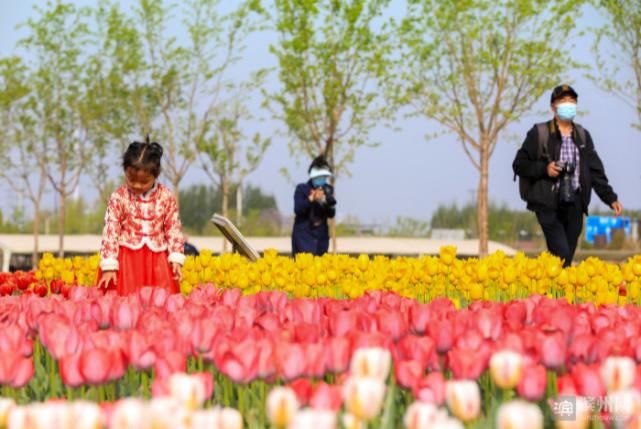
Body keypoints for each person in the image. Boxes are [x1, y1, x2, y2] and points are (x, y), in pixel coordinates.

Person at [513, 84, 623, 267]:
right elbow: (519, 164)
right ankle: (554, 293)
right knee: (562, 253)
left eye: (572, 101)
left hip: (575, 202)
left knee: (565, 258)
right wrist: (545, 169)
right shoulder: (539, 133)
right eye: (563, 101)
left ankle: (553, 294)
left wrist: (610, 198)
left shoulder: (582, 136)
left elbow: (596, 171)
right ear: (553, 107)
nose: (568, 104)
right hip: (547, 203)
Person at [96, 138, 185, 295]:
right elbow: (111, 231)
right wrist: (109, 265)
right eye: (132, 180)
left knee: (158, 302)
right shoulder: (119, 197)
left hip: (158, 261)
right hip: (127, 262)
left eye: (144, 182)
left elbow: (173, 228)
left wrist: (176, 257)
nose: (137, 186)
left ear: (155, 175)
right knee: (125, 299)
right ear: (125, 171)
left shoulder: (165, 196)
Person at [292, 156, 337, 256]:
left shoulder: (328, 189)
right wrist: (311, 199)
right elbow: (298, 209)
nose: (322, 179)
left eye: (324, 177)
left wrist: (325, 201)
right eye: (319, 177)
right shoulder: (302, 189)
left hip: (321, 238)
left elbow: (331, 213)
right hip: (303, 238)